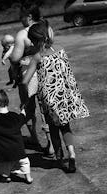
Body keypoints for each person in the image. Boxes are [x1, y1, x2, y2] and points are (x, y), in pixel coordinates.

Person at [22, 20, 89, 173]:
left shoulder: (37, 57)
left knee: (53, 130)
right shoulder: (60, 49)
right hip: (64, 96)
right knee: (66, 127)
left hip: (49, 99)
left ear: (33, 40)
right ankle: (71, 154)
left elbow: (25, 81)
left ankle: (60, 158)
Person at [9, 6, 54, 155]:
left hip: (28, 73)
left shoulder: (22, 34)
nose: (20, 20)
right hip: (46, 69)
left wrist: (10, 53)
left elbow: (15, 58)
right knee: (46, 108)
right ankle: (51, 144)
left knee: (28, 107)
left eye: (21, 17)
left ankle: (34, 138)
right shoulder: (47, 28)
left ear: (28, 17)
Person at [0, 90, 33, 184]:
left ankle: (5, 176)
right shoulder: (15, 117)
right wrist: (23, 110)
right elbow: (23, 117)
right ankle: (28, 177)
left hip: (3, 155)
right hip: (19, 152)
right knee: (25, 163)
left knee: (0, 165)